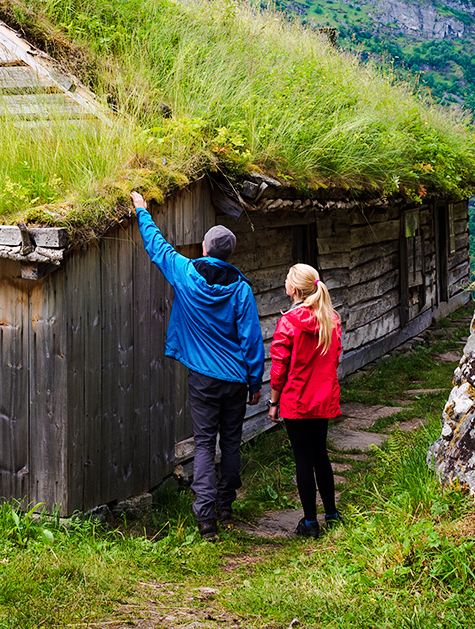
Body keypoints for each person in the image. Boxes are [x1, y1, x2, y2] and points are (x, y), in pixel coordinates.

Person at [130, 190, 264, 540]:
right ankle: (225, 504)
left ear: (205, 249)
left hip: (203, 378)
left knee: (204, 444)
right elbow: (251, 339)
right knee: (231, 441)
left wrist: (142, 210)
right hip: (236, 379)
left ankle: (206, 522)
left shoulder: (186, 274)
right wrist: (255, 383)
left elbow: (157, 247)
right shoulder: (240, 290)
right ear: (228, 253)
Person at [268, 262, 342, 538]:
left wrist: (274, 402)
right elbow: (334, 358)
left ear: (295, 289)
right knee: (320, 454)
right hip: (322, 398)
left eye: (287, 278)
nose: (284, 281)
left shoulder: (288, 323)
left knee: (303, 459)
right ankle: (332, 514)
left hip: (296, 400)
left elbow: (279, 369)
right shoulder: (330, 318)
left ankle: (310, 522)